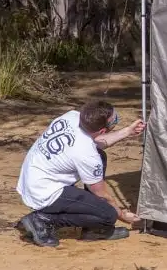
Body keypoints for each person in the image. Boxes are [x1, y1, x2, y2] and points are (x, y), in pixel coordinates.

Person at [15, 100, 146, 247]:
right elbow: (102, 195)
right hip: (44, 193)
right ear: (102, 130)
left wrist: (127, 131)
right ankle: (42, 220)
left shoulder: (71, 117)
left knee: (100, 156)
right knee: (109, 214)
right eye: (114, 119)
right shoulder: (86, 154)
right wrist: (122, 215)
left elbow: (96, 142)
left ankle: (91, 227)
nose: (117, 119)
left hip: (34, 177)